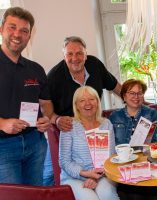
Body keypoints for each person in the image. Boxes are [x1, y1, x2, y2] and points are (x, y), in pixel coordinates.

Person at [44, 36, 122, 185]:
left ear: (85, 54)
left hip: (94, 125)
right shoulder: (54, 76)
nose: (75, 58)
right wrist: (56, 120)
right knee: (49, 175)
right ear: (64, 56)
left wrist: (132, 98)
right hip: (67, 128)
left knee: (98, 163)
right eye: (70, 54)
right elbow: (45, 105)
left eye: (79, 53)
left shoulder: (95, 65)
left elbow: (114, 85)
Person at [0, 7, 52, 185]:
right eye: (12, 27)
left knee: (36, 194)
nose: (17, 34)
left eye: (24, 30)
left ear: (29, 36)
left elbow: (46, 103)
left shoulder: (36, 69)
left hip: (35, 144)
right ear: (1, 29)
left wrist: (48, 118)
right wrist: (2, 123)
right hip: (3, 147)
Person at [59, 86, 119, 200]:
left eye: (92, 99)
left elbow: (111, 156)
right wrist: (87, 174)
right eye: (82, 100)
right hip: (74, 177)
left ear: (97, 101)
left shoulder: (106, 124)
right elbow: (64, 162)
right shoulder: (69, 125)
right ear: (76, 105)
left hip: (102, 175)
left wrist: (95, 177)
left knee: (107, 194)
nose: (88, 104)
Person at [109, 79, 157, 145]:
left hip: (146, 154)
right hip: (122, 155)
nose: (136, 97)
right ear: (124, 96)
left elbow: (156, 141)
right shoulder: (115, 116)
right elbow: (110, 144)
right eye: (132, 93)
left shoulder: (151, 114)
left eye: (139, 93)